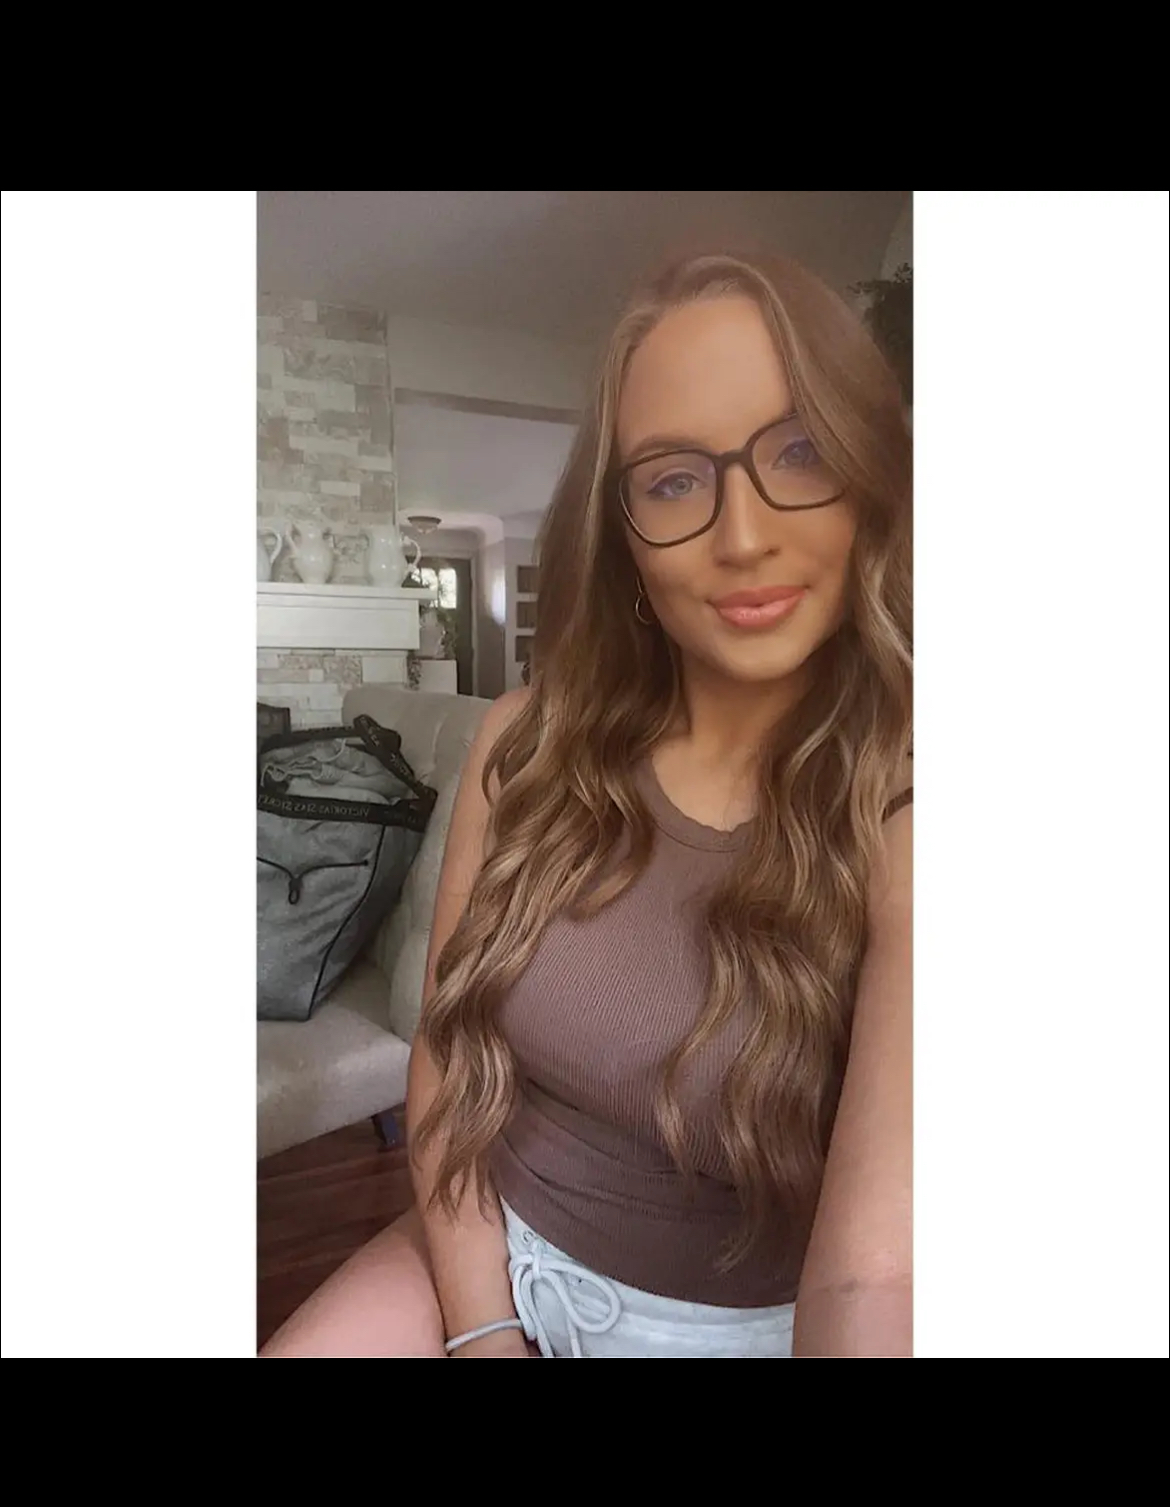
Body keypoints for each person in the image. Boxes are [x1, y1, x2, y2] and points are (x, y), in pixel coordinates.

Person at [263, 250, 913, 1358]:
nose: (743, 535)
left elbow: (875, 1273)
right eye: (673, 479)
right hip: (488, 1247)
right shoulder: (525, 740)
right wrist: (482, 1328)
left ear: (873, 474)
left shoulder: (908, 799)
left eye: (800, 450)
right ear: (621, 533)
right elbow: (450, 1060)